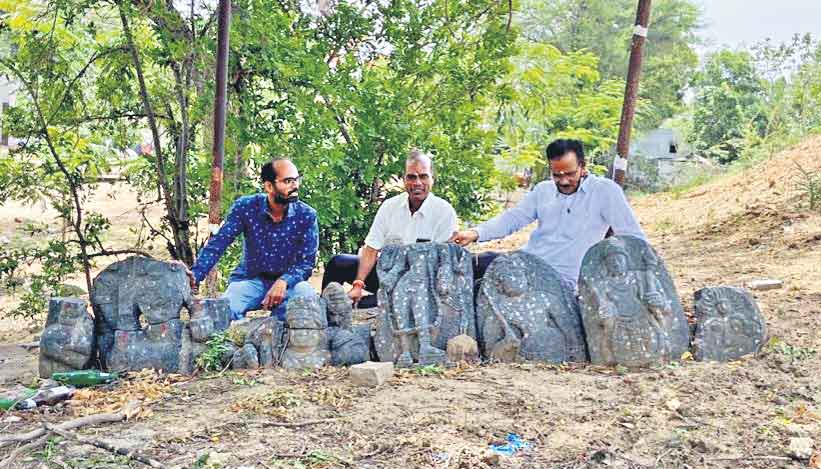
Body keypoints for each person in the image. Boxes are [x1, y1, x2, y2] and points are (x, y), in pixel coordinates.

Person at [450, 139, 647, 289]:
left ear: (583, 166)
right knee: (469, 264)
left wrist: (642, 277)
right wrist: (475, 233)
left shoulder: (605, 191)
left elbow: (632, 236)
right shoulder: (543, 190)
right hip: (525, 262)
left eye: (570, 174)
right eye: (557, 175)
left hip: (563, 278)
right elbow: (513, 218)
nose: (563, 181)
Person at [186, 157, 319, 321]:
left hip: (290, 285)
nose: (295, 186)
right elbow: (219, 243)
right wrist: (195, 276)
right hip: (250, 280)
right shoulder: (246, 207)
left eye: (297, 179)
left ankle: (278, 333)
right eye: (288, 181)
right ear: (269, 186)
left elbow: (306, 262)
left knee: (305, 301)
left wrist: (284, 281)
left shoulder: (306, 215)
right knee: (224, 311)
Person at [322, 150, 458, 307]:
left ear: (432, 178)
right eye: (411, 177)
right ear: (403, 179)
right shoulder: (389, 206)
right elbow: (372, 248)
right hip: (385, 274)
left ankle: (370, 304)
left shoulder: (444, 212)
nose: (417, 183)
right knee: (338, 263)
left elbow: (442, 269)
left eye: (423, 176)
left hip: (419, 285)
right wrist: (358, 284)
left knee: (363, 306)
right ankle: (322, 315)